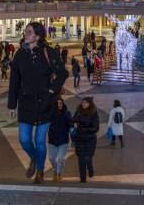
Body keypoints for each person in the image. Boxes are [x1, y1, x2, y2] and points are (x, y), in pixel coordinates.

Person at [8, 22, 68, 184]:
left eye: (29, 32)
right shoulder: (20, 54)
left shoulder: (49, 52)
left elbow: (63, 73)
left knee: (40, 141)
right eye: (26, 32)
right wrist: (12, 105)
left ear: (38, 36)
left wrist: (52, 91)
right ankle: (34, 158)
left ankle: (40, 170)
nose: (25, 34)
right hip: (26, 103)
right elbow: (14, 80)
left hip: (44, 104)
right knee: (24, 139)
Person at [71, 97, 99, 183]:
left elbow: (96, 128)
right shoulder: (78, 111)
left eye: (86, 103)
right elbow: (73, 120)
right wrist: (73, 123)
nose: (84, 104)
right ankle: (82, 179)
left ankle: (90, 168)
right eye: (83, 102)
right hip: (79, 139)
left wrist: (84, 129)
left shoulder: (94, 113)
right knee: (80, 160)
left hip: (90, 140)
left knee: (87, 158)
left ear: (90, 104)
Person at [48, 97, 72, 182]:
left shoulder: (67, 113)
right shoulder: (50, 113)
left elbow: (70, 125)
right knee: (51, 158)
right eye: (57, 103)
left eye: (61, 103)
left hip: (63, 140)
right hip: (52, 140)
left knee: (60, 158)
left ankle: (59, 174)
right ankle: (55, 170)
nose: (59, 105)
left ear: (63, 104)